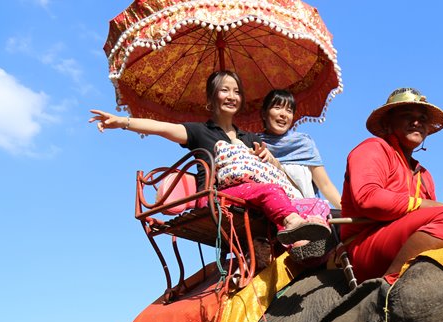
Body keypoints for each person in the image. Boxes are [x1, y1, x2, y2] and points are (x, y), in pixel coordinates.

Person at [89, 70, 330, 254]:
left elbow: (271, 171)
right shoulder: (200, 131)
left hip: (252, 195)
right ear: (212, 96)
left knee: (298, 200)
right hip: (218, 195)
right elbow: (162, 129)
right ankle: (293, 224)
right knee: (270, 191)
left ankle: (303, 246)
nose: (231, 96)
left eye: (236, 91)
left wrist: (271, 160)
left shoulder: (250, 137)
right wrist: (122, 122)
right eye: (225, 90)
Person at [339, 88, 443, 283]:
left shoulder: (424, 175)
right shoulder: (373, 148)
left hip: (402, 241)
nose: (417, 122)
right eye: (407, 115)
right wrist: (442, 208)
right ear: (387, 123)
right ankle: (385, 287)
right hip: (364, 245)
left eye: (422, 119)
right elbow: (369, 199)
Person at [258, 89, 342, 209]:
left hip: (305, 217)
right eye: (277, 107)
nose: (284, 114)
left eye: (289, 110)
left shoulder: (304, 144)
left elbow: (325, 185)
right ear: (263, 114)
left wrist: (347, 212)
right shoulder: (254, 144)